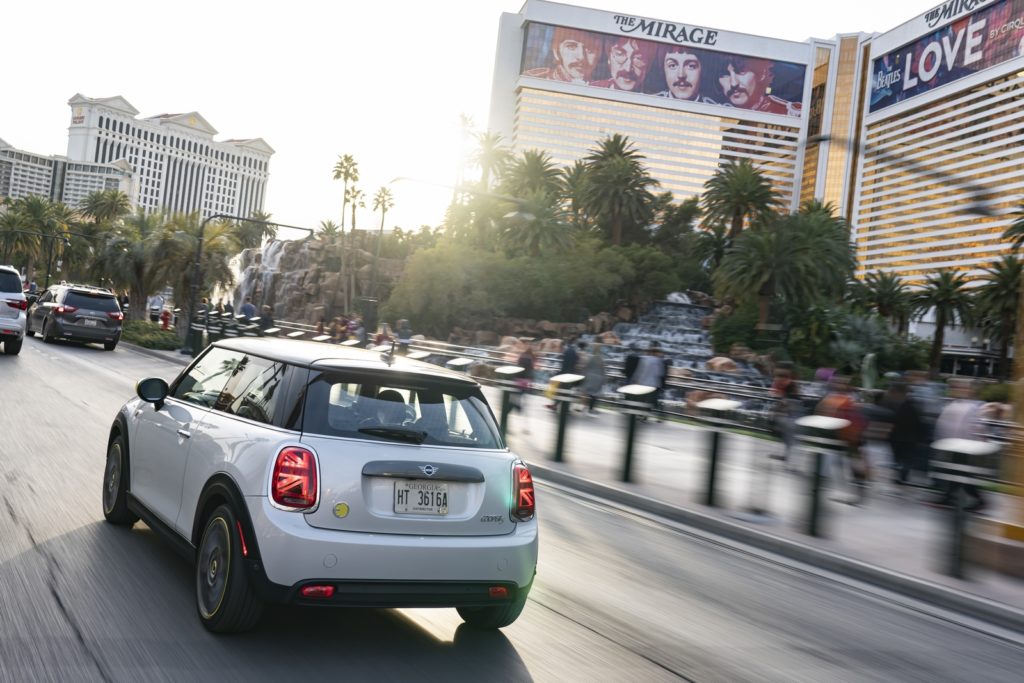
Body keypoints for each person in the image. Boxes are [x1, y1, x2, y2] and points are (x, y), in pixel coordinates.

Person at [932, 379, 987, 511]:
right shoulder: (953, 404)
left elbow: (977, 426)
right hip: (953, 445)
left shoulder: (974, 406)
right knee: (955, 471)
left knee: (961, 473)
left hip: (965, 446)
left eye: (963, 388)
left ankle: (977, 499)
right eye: (956, 388)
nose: (958, 390)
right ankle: (950, 496)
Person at [815, 376, 869, 503]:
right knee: (838, 464)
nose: (840, 384)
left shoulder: (850, 400)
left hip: (851, 437)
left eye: (843, 382)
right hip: (840, 436)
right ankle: (846, 492)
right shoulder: (833, 398)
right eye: (838, 382)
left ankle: (857, 494)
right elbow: (822, 412)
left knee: (854, 466)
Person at [711, 55, 801, 116]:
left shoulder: (787, 112)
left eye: (741, 71)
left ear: (762, 74)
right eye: (724, 75)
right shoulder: (716, 114)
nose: (733, 83)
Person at [881, 381, 927, 486]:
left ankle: (902, 476)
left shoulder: (906, 405)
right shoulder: (903, 404)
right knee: (900, 458)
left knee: (903, 458)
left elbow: (917, 422)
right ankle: (901, 475)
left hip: (905, 437)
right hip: (901, 437)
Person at [525, 27, 600, 84]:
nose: (581, 57)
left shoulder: (604, 88)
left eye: (590, 49)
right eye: (571, 47)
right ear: (556, 52)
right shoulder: (532, 79)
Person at [546, 337, 580, 410]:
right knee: (565, 392)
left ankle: (557, 406)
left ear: (562, 346)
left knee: (562, 391)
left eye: (558, 347)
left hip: (566, 375)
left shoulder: (567, 352)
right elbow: (576, 359)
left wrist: (558, 375)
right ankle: (558, 406)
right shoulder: (571, 350)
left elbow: (565, 366)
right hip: (570, 373)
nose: (559, 349)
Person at [578, 342, 607, 415]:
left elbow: (586, 367)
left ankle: (583, 407)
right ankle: (591, 408)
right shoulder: (601, 359)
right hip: (598, 379)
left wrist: (583, 375)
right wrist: (604, 379)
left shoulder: (591, 357)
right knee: (594, 395)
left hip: (590, 377)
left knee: (586, 392)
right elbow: (603, 370)